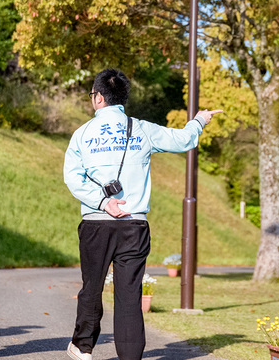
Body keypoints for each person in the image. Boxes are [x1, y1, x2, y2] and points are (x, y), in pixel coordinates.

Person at [64, 68, 221, 360]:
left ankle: (83, 347)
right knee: (129, 297)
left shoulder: (82, 134)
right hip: (134, 224)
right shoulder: (143, 129)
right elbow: (183, 140)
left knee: (92, 287)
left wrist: (102, 202)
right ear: (123, 98)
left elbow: (72, 177)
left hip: (96, 224)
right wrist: (199, 120)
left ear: (98, 97)